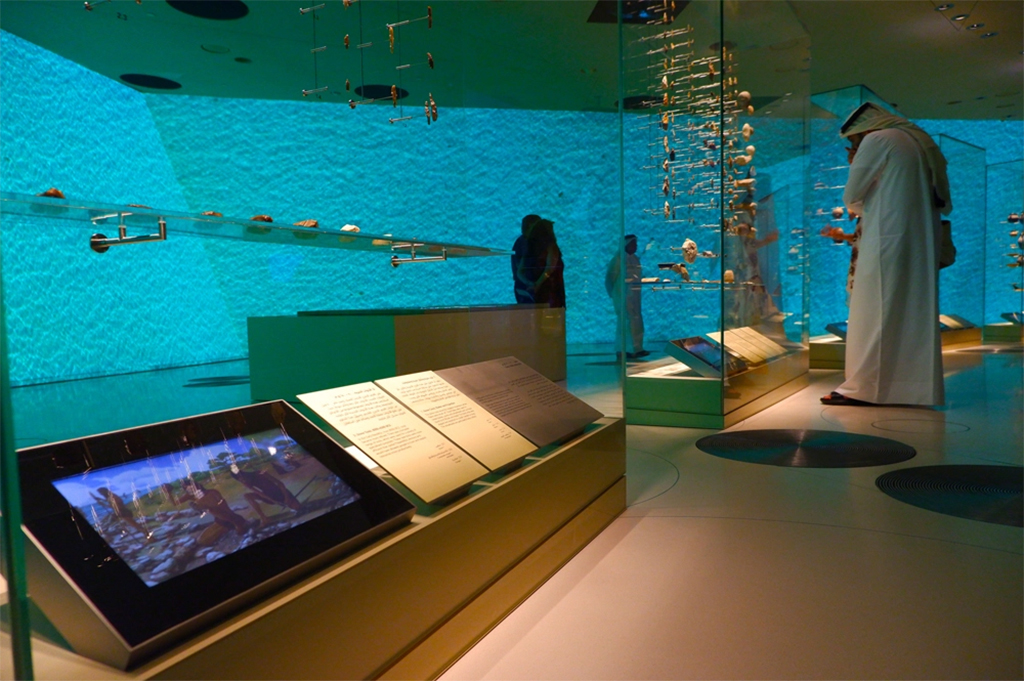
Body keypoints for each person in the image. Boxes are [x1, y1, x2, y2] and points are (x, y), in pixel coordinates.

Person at [821, 102, 951, 406]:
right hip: (914, 238)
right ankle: (909, 388)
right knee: (908, 312)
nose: (854, 147)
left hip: (885, 237)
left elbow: (852, 196)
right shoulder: (913, 141)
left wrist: (858, 189)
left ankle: (863, 388)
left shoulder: (878, 140)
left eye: (853, 142)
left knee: (872, 311)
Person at [605, 234, 648, 358]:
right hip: (622, 296)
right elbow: (610, 278)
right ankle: (623, 350)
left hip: (634, 296)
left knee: (636, 321)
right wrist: (615, 295)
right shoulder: (618, 259)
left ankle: (637, 348)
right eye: (633, 244)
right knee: (625, 323)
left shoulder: (635, 259)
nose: (635, 246)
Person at [515, 215, 565, 308]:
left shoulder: (529, 247)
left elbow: (519, 271)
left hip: (530, 292)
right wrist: (537, 285)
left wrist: (529, 283)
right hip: (549, 291)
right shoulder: (550, 246)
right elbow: (549, 269)